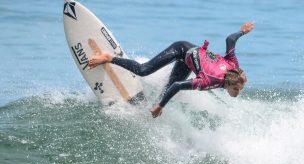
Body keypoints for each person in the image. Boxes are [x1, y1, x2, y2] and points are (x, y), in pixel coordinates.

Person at [88, 22, 254, 118]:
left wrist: (242, 32)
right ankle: (109, 58)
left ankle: (147, 110)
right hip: (181, 49)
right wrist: (161, 106)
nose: (237, 93)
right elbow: (178, 86)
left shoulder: (234, 66)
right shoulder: (210, 81)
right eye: (236, 89)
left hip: (189, 62)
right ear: (229, 82)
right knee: (144, 70)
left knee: (164, 93)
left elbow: (230, 39)